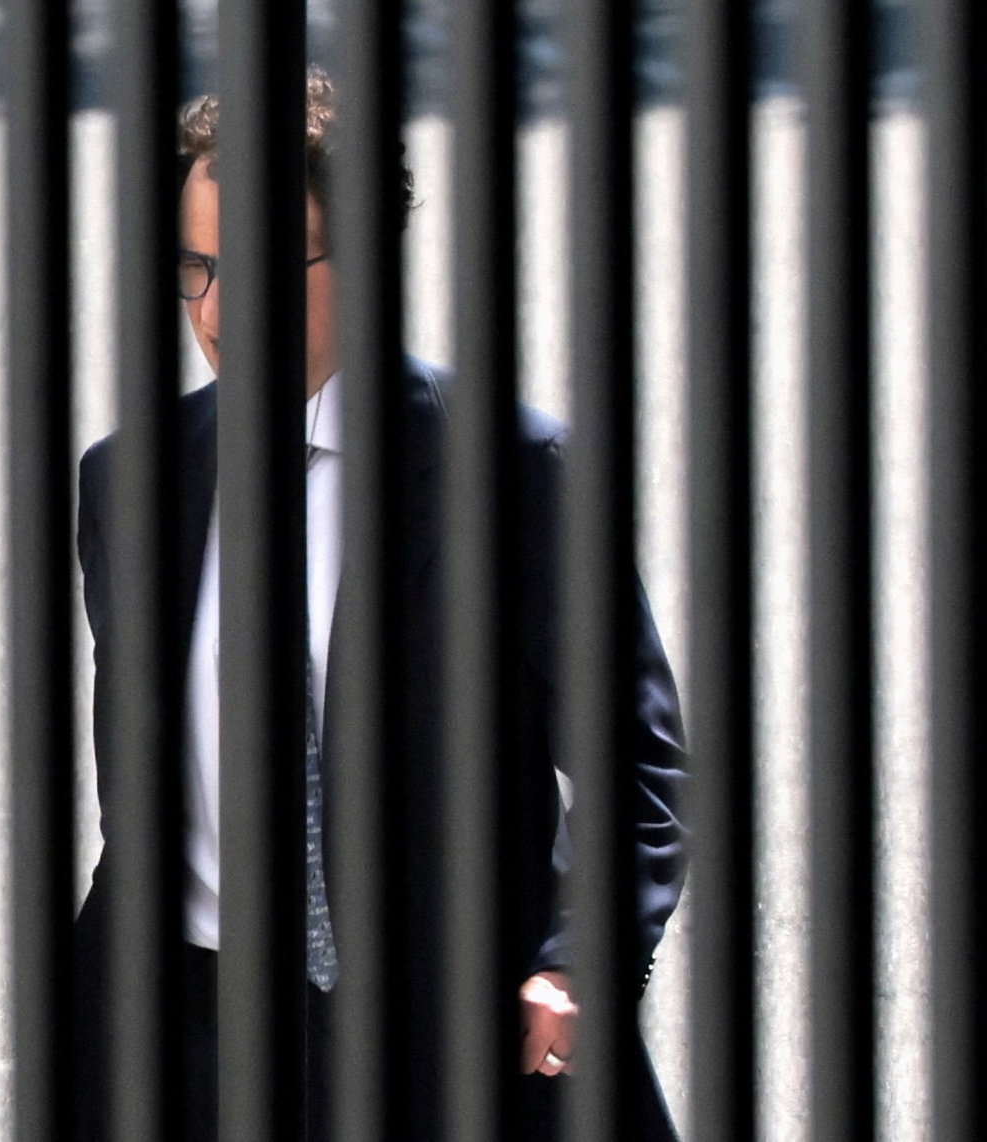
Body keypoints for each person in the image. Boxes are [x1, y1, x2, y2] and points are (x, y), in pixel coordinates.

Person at [72, 68, 688, 1141]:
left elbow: (638, 760)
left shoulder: (510, 470)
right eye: (194, 268)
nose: (214, 312)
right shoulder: (131, 485)